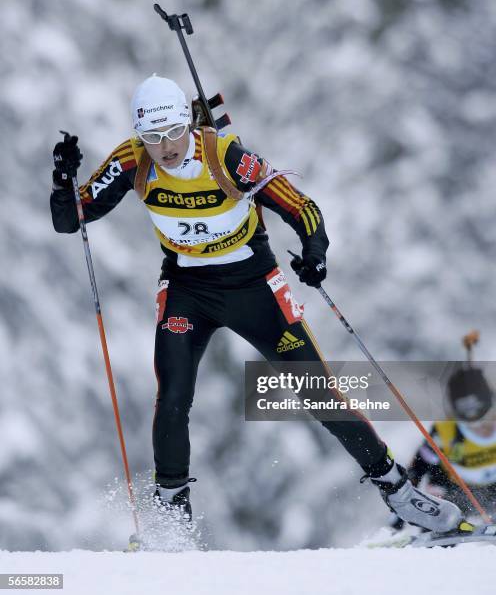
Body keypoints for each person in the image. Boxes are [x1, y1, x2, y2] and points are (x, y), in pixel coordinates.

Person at [50, 74, 464, 535]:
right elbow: (72, 219)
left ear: (188, 122)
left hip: (253, 284)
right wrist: (63, 180)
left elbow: (301, 207)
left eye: (172, 133)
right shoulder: (132, 161)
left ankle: (399, 490)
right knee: (173, 397)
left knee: (318, 393)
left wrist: (315, 254)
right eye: (152, 137)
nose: (164, 147)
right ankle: (170, 520)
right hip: (188, 287)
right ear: (138, 135)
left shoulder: (225, 156)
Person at [393, 362, 496, 528]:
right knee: (436, 486)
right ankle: (443, 529)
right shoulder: (445, 432)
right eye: (464, 406)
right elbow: (419, 467)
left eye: (475, 403)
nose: (471, 412)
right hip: (460, 493)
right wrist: (401, 507)